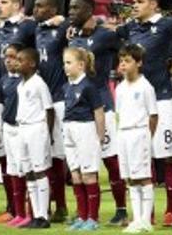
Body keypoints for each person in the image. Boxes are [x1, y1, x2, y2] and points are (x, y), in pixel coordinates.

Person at [115, 0, 172, 226]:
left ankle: (171, 212)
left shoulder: (166, 24)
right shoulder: (130, 27)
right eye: (133, 1)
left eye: (140, 1)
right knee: (144, 160)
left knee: (167, 157)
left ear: (154, 5)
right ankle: (146, 214)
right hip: (137, 101)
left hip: (162, 99)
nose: (133, 5)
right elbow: (105, 31)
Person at [67, 0, 127, 225]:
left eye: (76, 7)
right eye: (69, 8)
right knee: (79, 164)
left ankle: (121, 209)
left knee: (111, 160)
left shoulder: (105, 35)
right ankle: (85, 214)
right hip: (79, 110)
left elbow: (126, 45)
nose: (71, 11)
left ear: (90, 9)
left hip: (102, 105)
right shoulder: (72, 38)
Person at [61, 47, 106, 231]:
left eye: (69, 62)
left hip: (85, 129)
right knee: (75, 174)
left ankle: (93, 218)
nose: (65, 66)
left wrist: (100, 135)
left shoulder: (88, 86)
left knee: (88, 174)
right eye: (64, 62)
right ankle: (81, 215)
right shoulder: (66, 86)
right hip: (69, 128)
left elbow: (98, 111)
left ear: (81, 65)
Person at [33, 0, 69, 222]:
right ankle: (51, 205)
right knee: (45, 153)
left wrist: (64, 21)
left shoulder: (62, 29)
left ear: (53, 10)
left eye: (39, 6)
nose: (34, 9)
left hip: (60, 99)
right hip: (40, 100)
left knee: (61, 155)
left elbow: (85, 24)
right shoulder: (36, 30)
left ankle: (63, 206)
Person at [115, 44, 157, 234]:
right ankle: (137, 218)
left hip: (139, 132)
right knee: (130, 178)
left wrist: (147, 136)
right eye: (121, 61)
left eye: (128, 61)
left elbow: (153, 115)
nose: (123, 65)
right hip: (123, 132)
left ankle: (146, 220)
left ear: (138, 63)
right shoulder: (120, 87)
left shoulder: (145, 86)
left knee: (144, 177)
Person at [15, 47, 54, 229]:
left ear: (31, 63)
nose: (16, 63)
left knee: (39, 171)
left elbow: (49, 109)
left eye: (20, 60)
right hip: (22, 128)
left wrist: (48, 133)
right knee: (28, 172)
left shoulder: (39, 83)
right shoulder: (20, 85)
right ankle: (35, 214)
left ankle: (44, 215)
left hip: (36, 128)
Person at [0, 43, 31, 227]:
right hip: (9, 127)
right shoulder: (3, 80)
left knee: (26, 170)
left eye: (13, 56)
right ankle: (17, 212)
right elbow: (3, 104)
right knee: (13, 170)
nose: (9, 60)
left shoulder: (28, 81)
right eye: (6, 57)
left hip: (23, 128)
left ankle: (32, 211)